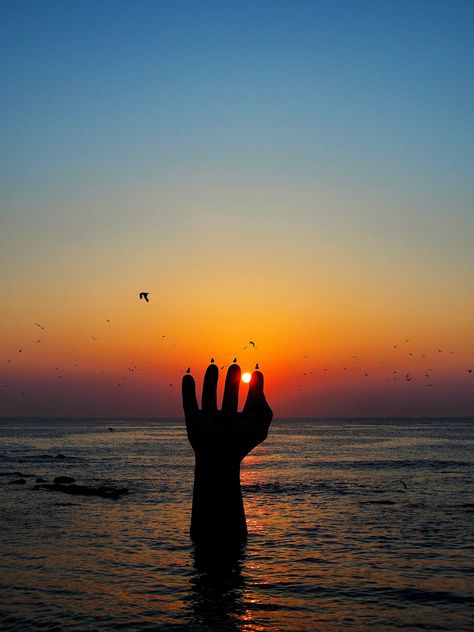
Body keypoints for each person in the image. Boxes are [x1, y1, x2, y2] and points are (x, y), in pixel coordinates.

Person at [182, 362, 273, 545]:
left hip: (205, 531)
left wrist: (214, 462)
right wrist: (224, 462)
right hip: (229, 535)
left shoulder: (212, 445)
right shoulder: (221, 445)